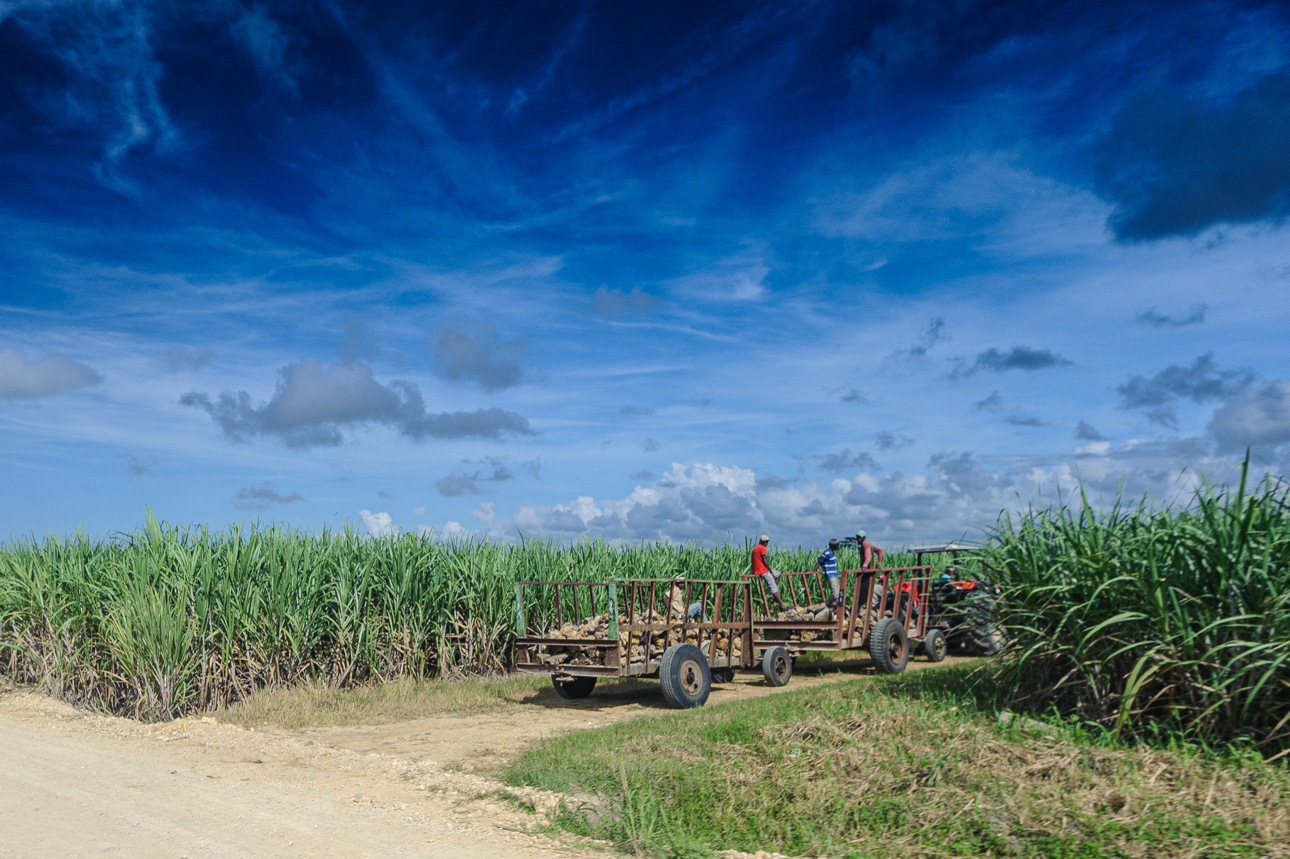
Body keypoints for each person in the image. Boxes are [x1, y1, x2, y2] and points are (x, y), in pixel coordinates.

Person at [751, 534, 786, 611]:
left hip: (757, 569)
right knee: (772, 585)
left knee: (778, 573)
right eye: (764, 542)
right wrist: (770, 571)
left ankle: (774, 595)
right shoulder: (762, 548)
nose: (765, 543)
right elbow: (765, 560)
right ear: (760, 541)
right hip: (762, 570)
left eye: (766, 542)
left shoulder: (755, 548)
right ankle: (782, 605)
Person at [815, 538, 842, 608]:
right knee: (836, 593)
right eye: (837, 545)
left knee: (837, 591)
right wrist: (814, 569)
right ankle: (835, 607)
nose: (838, 547)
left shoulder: (833, 553)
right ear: (833, 546)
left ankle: (830, 604)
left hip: (834, 574)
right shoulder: (826, 553)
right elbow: (820, 561)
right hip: (830, 575)